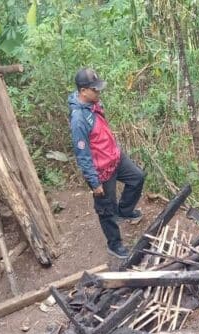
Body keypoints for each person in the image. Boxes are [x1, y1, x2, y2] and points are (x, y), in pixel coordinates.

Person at [68, 67, 145, 258]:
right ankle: (114, 244)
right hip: (101, 170)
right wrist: (94, 182)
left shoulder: (93, 105)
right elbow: (82, 153)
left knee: (137, 177)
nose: (98, 92)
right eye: (94, 89)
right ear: (83, 91)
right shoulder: (78, 119)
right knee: (106, 208)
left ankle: (125, 210)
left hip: (115, 158)